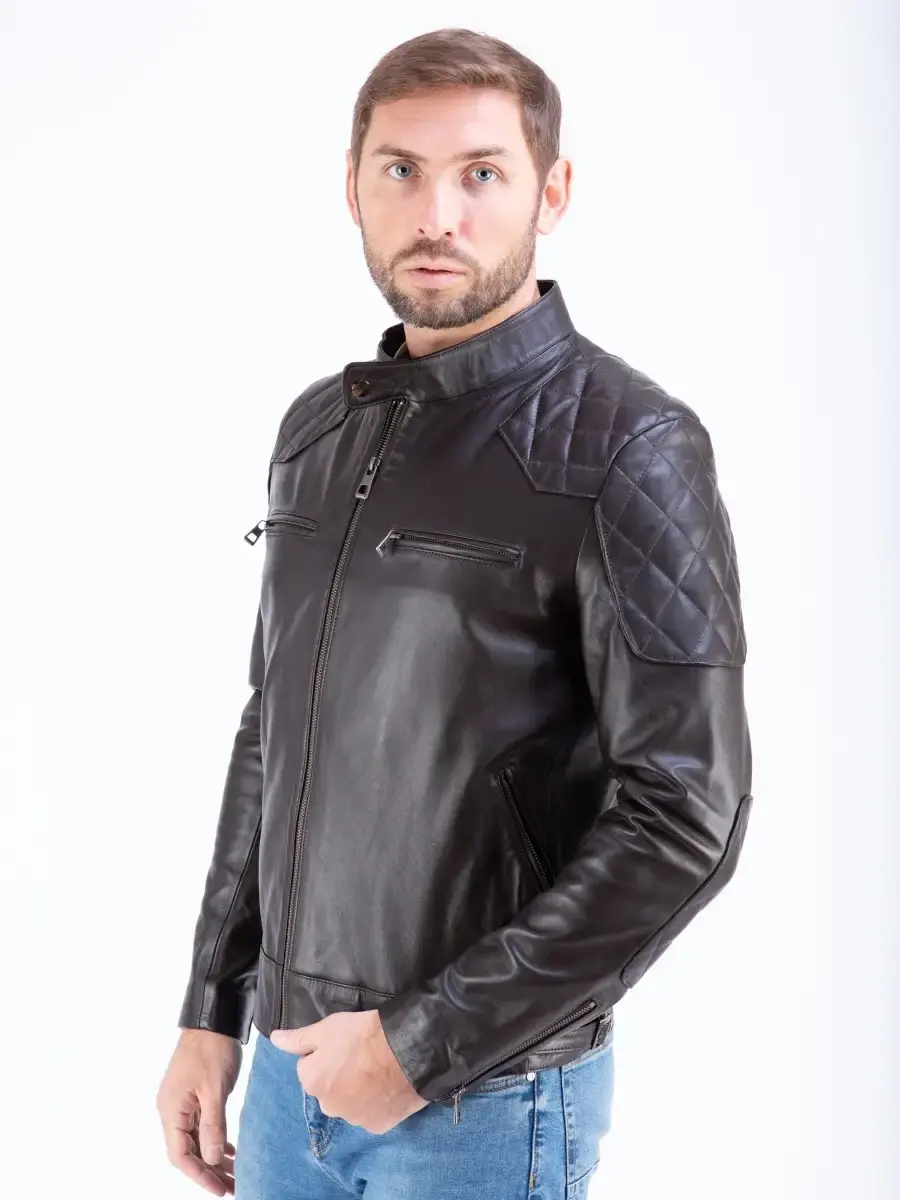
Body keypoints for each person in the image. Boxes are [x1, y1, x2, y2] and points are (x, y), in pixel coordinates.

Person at [156, 26, 753, 1199]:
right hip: (285, 1077)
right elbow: (272, 731)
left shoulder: (629, 444)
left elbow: (689, 813)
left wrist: (421, 1047)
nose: (438, 214)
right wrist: (210, 1010)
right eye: (402, 170)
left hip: (483, 1099)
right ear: (353, 187)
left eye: (481, 173)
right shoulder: (319, 431)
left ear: (551, 191)